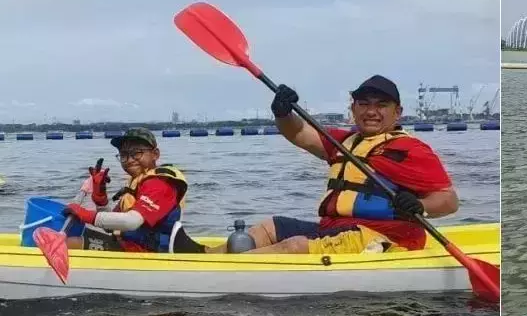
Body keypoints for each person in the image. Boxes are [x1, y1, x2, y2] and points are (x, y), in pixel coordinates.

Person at [221, 74, 458, 255]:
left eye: (381, 105)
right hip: (336, 229)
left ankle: (228, 274)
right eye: (363, 104)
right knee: (267, 229)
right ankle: (204, 255)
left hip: (384, 238)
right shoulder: (343, 142)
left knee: (295, 246)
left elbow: (449, 201)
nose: (371, 111)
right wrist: (283, 114)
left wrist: (420, 205)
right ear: (353, 109)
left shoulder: (410, 150)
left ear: (398, 112)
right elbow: (299, 133)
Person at [64, 127, 207, 254]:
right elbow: (112, 226)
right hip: (130, 245)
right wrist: (101, 199)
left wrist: (85, 214)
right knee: (74, 234)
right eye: (124, 155)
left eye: (136, 153)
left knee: (70, 243)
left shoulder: (160, 184)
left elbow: (131, 222)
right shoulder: (136, 183)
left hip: (150, 253)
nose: (129, 160)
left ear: (155, 154)